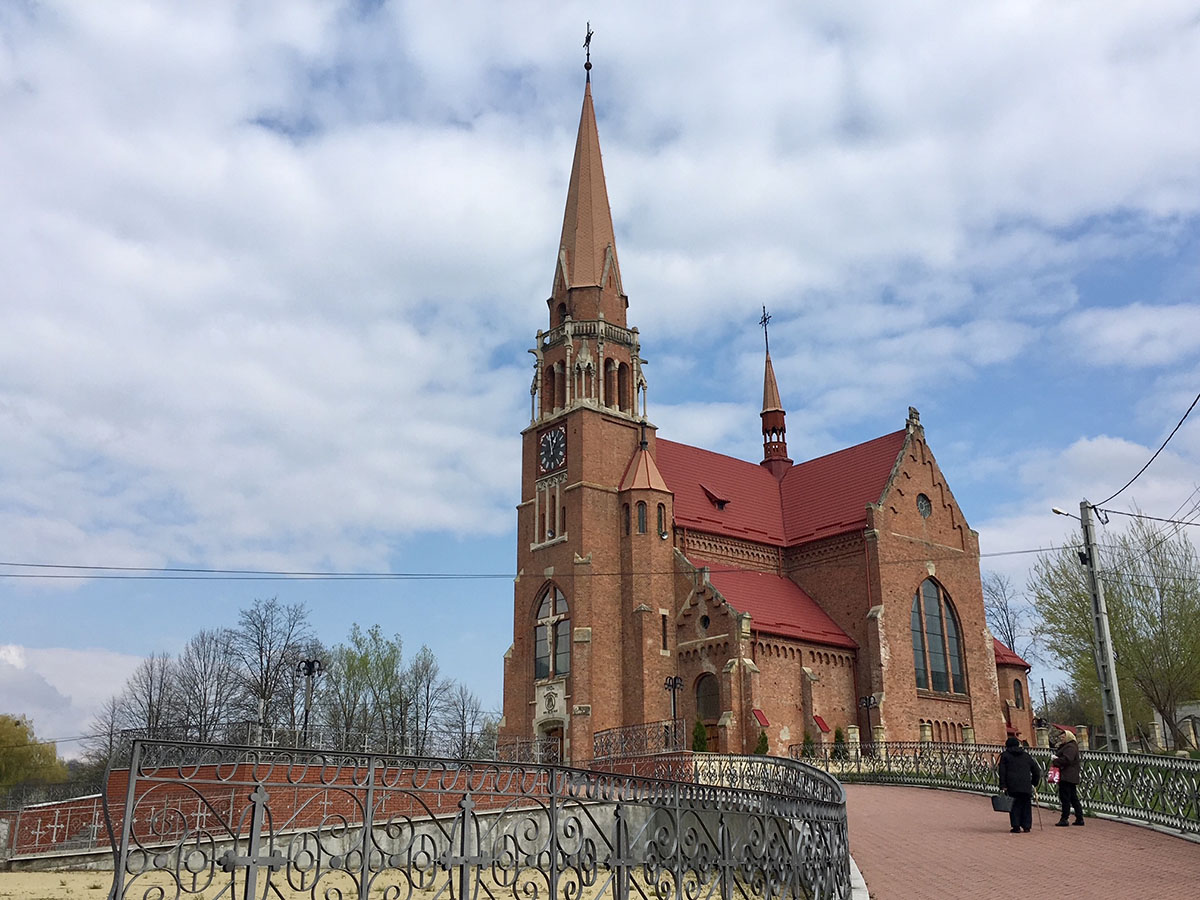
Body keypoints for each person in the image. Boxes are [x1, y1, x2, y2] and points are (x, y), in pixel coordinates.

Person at [997, 735, 1041, 833]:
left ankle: (1016, 826)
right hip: (1026, 785)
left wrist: (1003, 785)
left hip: (1012, 785)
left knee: (1014, 805)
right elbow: (1036, 770)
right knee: (1026, 805)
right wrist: (1034, 782)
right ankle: (1027, 826)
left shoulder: (1005, 755)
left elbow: (1002, 771)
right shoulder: (1026, 755)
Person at [1052, 729, 1084, 826]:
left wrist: (1056, 760)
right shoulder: (1069, 746)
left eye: (1063, 737)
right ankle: (1079, 818)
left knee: (1065, 797)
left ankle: (1064, 818)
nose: (1061, 739)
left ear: (1068, 737)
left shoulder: (1070, 747)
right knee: (1073, 797)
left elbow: (1067, 759)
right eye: (1061, 737)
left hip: (1067, 776)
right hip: (1069, 775)